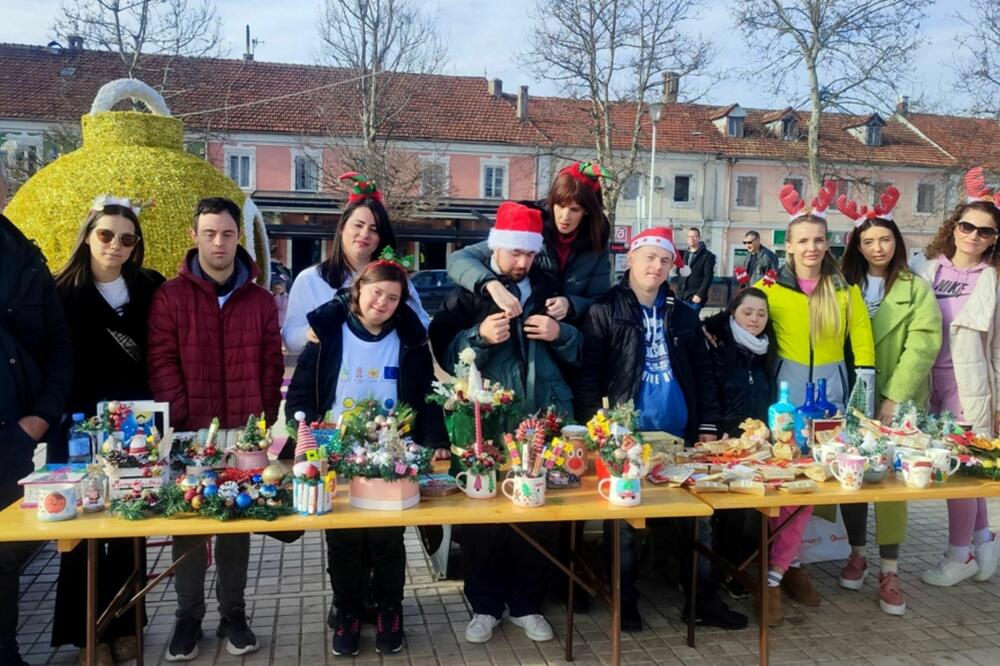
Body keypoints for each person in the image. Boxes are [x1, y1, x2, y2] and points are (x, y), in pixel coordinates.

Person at [575, 227, 745, 632]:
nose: (656, 266)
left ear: (673, 266)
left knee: (698, 520)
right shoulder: (603, 310)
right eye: (648, 257)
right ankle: (625, 601)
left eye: (664, 260)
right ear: (630, 260)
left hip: (680, 436)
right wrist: (596, 432)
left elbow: (702, 374)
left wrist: (707, 425)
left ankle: (700, 601)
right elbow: (588, 378)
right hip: (626, 438)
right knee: (626, 523)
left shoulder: (684, 314)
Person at [429, 201, 581, 645]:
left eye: (529, 254)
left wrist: (563, 334)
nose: (522, 262)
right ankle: (485, 605)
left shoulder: (549, 288)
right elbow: (442, 350)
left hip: (542, 420)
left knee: (539, 517)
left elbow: (582, 352)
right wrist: (477, 337)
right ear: (496, 248)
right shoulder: (469, 292)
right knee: (484, 520)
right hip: (487, 425)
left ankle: (529, 605)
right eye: (515, 253)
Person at [286, 256, 447, 656]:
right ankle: (348, 609)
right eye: (377, 293)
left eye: (393, 298)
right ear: (358, 291)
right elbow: (302, 391)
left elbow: (426, 399)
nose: (383, 303)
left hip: (390, 454)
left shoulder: (410, 341)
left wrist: (433, 439)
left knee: (387, 539)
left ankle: (390, 607)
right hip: (335, 453)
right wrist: (303, 432)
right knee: (343, 540)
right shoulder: (328, 333)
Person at [148, 197, 283, 661]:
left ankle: (234, 613)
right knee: (189, 523)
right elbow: (162, 361)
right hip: (190, 433)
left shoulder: (260, 299)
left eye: (226, 233)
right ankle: (188, 617)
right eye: (209, 233)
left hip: (243, 432)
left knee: (235, 522)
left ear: (237, 236)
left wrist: (259, 420)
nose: (219, 243)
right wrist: (182, 416)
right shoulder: (171, 296)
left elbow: (271, 364)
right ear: (195, 236)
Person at [49, 196, 165, 664]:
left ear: (135, 245)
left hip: (136, 428)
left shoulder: (150, 287)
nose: (115, 245)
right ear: (88, 235)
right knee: (82, 532)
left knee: (130, 528)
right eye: (105, 235)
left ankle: (126, 624)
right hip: (79, 428)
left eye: (126, 238)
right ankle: (86, 634)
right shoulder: (61, 292)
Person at [755, 181, 875, 625]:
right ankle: (777, 569)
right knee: (782, 485)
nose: (811, 247)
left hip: (831, 402)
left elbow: (862, 349)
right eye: (803, 240)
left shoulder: (845, 292)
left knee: (813, 486)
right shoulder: (769, 289)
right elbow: (745, 329)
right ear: (789, 246)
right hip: (783, 400)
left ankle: (783, 568)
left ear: (829, 244)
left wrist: (861, 401)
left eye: (819, 239)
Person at [836, 187, 942, 614]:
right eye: (867, 241)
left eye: (884, 239)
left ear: (896, 241)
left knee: (893, 486)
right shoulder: (845, 285)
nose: (877, 248)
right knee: (853, 476)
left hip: (899, 401)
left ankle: (890, 569)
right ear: (857, 247)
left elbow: (923, 343)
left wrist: (893, 396)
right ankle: (857, 552)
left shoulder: (915, 288)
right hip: (851, 399)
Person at [0, 163, 74, 666]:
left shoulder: (22, 254)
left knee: (5, 556)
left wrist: (41, 417)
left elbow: (58, 345)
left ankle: (6, 651)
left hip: (12, 432)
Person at [911, 167, 1000, 588]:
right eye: (968, 226)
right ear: (954, 226)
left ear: (994, 239)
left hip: (970, 389)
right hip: (929, 387)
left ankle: (958, 554)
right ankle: (983, 539)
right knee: (969, 472)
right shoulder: (926, 271)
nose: (974, 236)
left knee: (961, 472)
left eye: (985, 232)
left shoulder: (993, 281)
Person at [447, 161, 611, 325]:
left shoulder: (597, 240)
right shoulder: (530, 227)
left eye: (575, 210)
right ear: (552, 201)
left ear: (587, 211)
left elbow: (601, 301)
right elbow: (459, 259)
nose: (565, 217)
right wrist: (490, 284)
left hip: (570, 335)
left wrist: (571, 305)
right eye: (560, 206)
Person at [283, 173, 429, 354]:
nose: (364, 234)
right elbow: (290, 338)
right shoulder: (310, 279)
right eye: (358, 226)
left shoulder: (396, 280)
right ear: (342, 227)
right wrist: (310, 333)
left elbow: (423, 324)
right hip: (331, 378)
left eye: (374, 229)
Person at [702, 288, 775, 601]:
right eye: (748, 312)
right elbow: (706, 390)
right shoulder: (715, 344)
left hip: (757, 444)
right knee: (726, 514)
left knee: (752, 512)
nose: (755, 320)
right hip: (721, 443)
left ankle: (738, 569)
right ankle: (718, 574)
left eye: (761, 314)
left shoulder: (768, 351)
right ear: (733, 313)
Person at [675, 227, 714, 307]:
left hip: (695, 296)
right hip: (681, 295)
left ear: (699, 238)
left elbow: (708, 277)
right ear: (687, 239)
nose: (691, 239)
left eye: (694, 237)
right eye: (689, 237)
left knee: (691, 318)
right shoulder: (685, 254)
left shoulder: (707, 256)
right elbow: (679, 273)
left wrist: (700, 294)